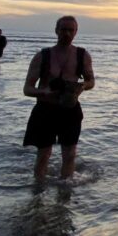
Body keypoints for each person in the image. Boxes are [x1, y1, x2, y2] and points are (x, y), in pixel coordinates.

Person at [22, 16, 95, 180]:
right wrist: (45, 92)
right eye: (64, 29)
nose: (67, 33)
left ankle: (65, 194)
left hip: (70, 109)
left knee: (69, 154)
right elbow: (27, 89)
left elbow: (91, 81)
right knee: (43, 154)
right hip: (45, 109)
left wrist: (81, 87)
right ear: (56, 31)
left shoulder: (82, 55)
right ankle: (38, 194)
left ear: (76, 32)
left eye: (71, 30)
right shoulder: (43, 56)